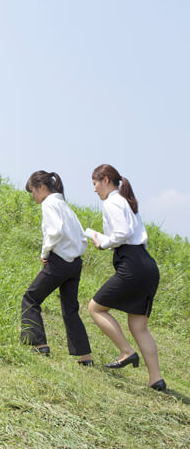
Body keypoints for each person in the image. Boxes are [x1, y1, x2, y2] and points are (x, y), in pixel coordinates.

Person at [87, 164, 166, 391]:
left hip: (132, 265)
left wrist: (104, 243)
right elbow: (133, 235)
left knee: (95, 308)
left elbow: (121, 234)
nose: (94, 190)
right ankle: (156, 379)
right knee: (139, 326)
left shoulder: (112, 202)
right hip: (147, 265)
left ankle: (126, 352)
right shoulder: (126, 202)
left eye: (94, 184)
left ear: (104, 180)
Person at [21, 171, 93, 365]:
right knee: (70, 309)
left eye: (33, 191)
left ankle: (39, 345)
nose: (33, 196)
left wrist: (45, 254)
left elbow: (55, 231)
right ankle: (85, 356)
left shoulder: (49, 204)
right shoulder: (65, 206)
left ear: (42, 187)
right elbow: (81, 236)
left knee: (30, 298)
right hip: (75, 263)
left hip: (59, 261)